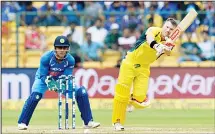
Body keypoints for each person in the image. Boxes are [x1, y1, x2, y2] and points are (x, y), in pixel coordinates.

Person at [18, 35, 100, 130]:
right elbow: (43, 75)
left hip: (60, 80)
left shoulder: (70, 60)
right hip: (43, 79)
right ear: (55, 48)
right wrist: (50, 82)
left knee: (81, 92)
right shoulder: (46, 57)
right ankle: (22, 122)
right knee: (35, 96)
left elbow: (66, 77)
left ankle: (88, 121)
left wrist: (59, 85)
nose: (62, 50)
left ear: (68, 49)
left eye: (64, 47)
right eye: (59, 47)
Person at [112, 18, 177, 131]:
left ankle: (130, 100)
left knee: (141, 99)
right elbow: (149, 38)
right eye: (167, 27)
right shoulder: (154, 30)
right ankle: (117, 122)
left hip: (144, 67)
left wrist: (166, 47)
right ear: (163, 26)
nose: (168, 30)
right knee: (122, 92)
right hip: (130, 62)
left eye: (171, 29)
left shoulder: (169, 41)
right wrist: (156, 46)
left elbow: (168, 53)